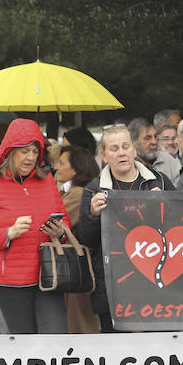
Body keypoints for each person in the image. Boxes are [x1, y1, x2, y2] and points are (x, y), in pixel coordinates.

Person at [0, 119, 71, 334]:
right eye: (24, 151)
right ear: (9, 151)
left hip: (48, 274)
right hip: (10, 279)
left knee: (56, 336)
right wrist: (8, 233)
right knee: (23, 341)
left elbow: (65, 222)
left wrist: (60, 232)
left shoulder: (47, 180)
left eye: (34, 151)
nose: (31, 157)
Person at [76, 126, 176, 331]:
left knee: (157, 347)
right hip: (114, 286)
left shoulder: (160, 181)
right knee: (117, 349)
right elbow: (85, 240)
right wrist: (93, 215)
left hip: (155, 283)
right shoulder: (93, 189)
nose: (121, 152)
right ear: (103, 155)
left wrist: (167, 206)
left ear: (134, 150)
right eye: (114, 148)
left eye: (125, 146)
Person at [51, 143, 103, 334]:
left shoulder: (78, 194)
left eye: (62, 163)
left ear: (75, 169)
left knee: (80, 325)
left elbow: (52, 217)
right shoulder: (72, 191)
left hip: (78, 267)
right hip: (77, 267)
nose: (56, 167)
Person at [128, 117, 181, 181]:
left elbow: (179, 189)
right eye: (148, 138)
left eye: (156, 137)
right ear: (134, 142)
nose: (154, 142)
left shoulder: (169, 161)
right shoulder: (126, 163)